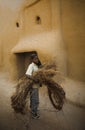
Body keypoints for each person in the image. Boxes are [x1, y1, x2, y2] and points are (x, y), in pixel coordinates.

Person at [25, 53, 41, 119]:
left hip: (36, 86)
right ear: (32, 60)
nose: (37, 59)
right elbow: (27, 75)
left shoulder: (37, 66)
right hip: (33, 86)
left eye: (37, 58)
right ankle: (34, 114)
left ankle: (32, 110)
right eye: (35, 58)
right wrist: (35, 79)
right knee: (35, 100)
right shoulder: (31, 66)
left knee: (33, 99)